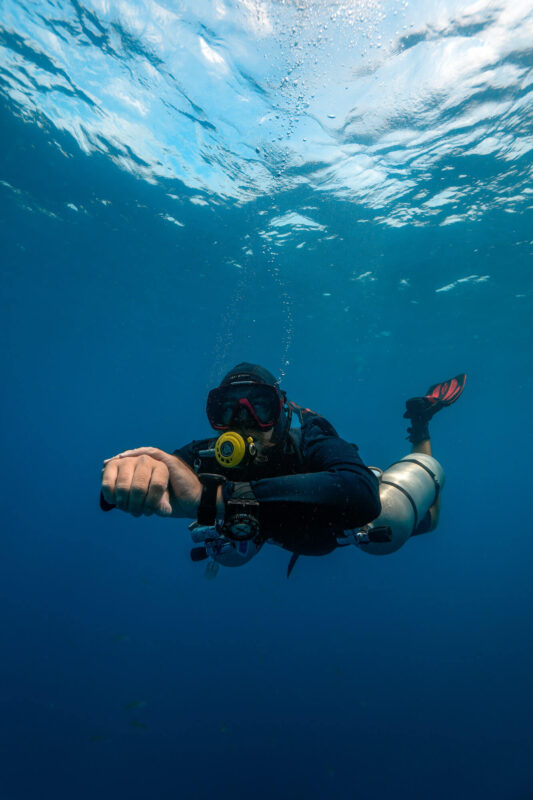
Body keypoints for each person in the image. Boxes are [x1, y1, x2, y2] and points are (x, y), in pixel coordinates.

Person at [100, 363, 465, 574]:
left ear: (280, 411)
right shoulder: (214, 453)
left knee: (402, 520)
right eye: (227, 410)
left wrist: (218, 497)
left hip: (342, 521)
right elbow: (170, 466)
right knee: (227, 554)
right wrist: (147, 467)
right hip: (281, 527)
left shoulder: (310, 435)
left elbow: (359, 494)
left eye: (260, 406)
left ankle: (421, 425)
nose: (243, 421)